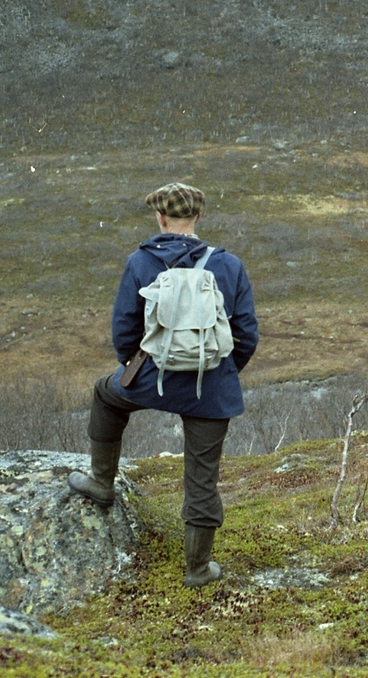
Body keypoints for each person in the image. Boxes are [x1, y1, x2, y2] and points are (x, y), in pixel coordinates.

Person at [68, 182, 259, 589]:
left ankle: (102, 483)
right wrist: (221, 374)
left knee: (107, 394)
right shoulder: (228, 265)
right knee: (201, 479)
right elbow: (247, 336)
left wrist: (137, 368)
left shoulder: (141, 261)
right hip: (212, 388)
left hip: (153, 377)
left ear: (160, 218)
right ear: (198, 217)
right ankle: (197, 570)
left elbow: (124, 330)